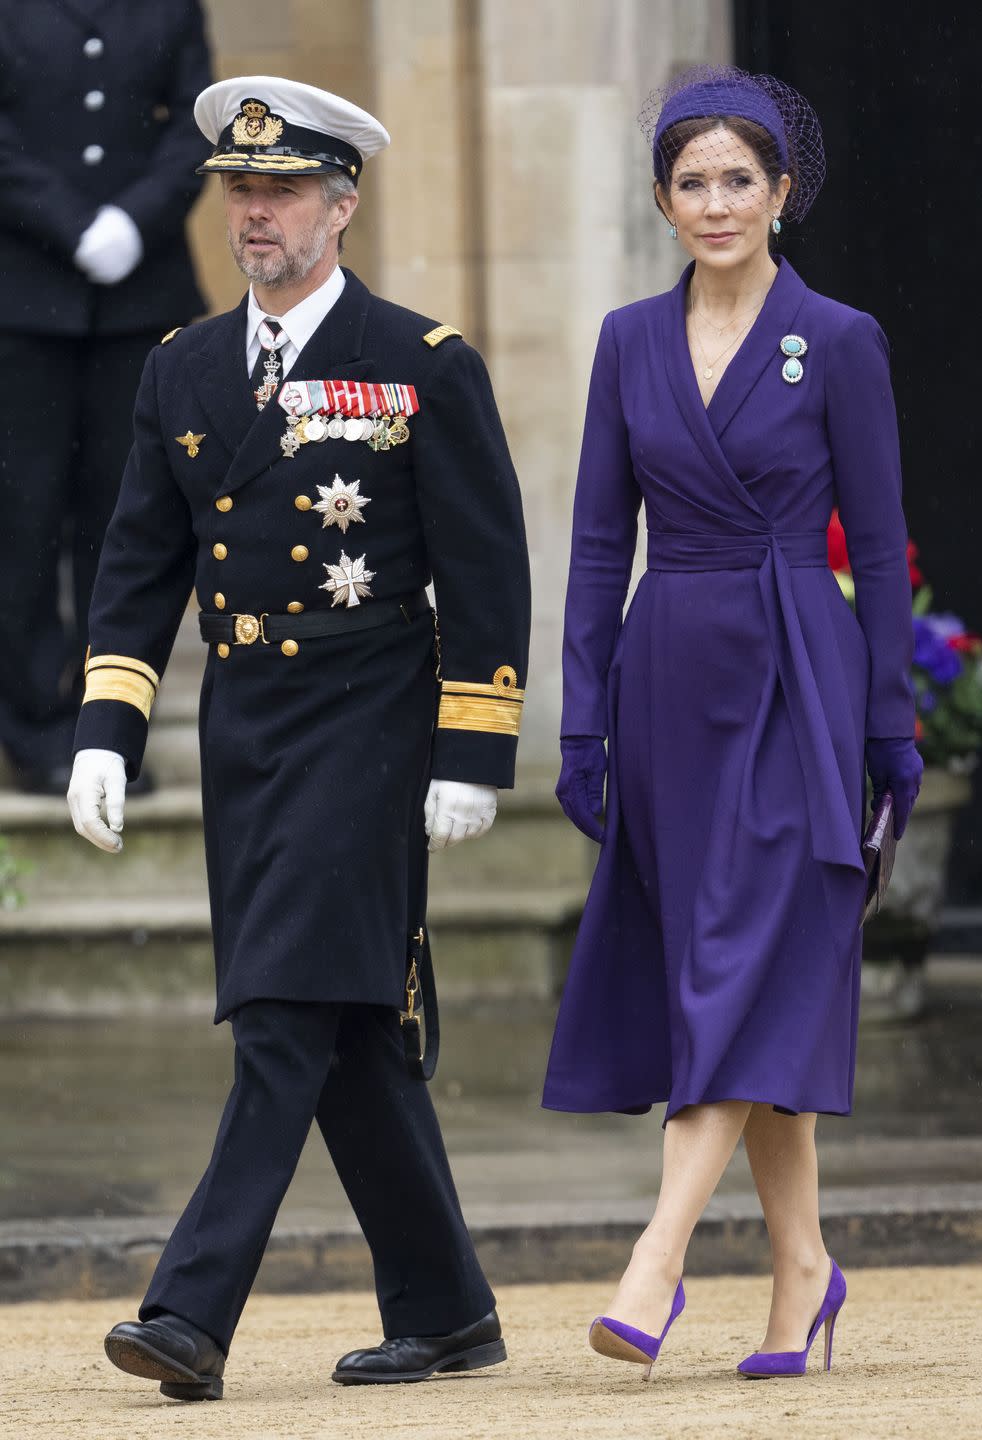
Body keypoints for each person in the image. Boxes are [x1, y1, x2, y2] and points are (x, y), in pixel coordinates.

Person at [66, 75, 530, 1402]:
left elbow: (485, 569)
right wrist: (106, 725)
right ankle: (445, 1310)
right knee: (348, 1030)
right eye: (236, 190)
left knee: (278, 1011)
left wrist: (473, 749)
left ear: (342, 203)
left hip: (370, 723)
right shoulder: (182, 367)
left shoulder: (422, 360)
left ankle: (190, 1314)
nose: (252, 214)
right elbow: (138, 561)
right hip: (245, 731)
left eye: (277, 192)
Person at [544, 65, 923, 1380]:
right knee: (741, 971)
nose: (715, 203)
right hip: (665, 686)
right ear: (662, 199)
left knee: (739, 961)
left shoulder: (844, 338)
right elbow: (598, 547)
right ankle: (803, 1271)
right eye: (690, 182)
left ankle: (655, 1261)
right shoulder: (623, 342)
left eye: (737, 180)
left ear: (781, 191)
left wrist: (887, 727)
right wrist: (581, 722)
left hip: (794, 680)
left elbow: (876, 554)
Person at [0, 0, 211, 793]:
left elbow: (198, 122)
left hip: (139, 299)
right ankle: (33, 728)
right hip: (20, 299)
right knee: (19, 521)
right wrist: (71, 222)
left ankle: (110, 727)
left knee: (127, 521)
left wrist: (135, 218)